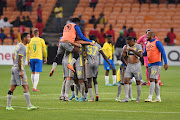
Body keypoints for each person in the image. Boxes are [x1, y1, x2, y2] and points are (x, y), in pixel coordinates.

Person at [49, 18, 94, 92]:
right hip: (68, 48)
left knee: (58, 57)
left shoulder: (66, 26)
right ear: (78, 22)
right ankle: (71, 64)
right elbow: (81, 37)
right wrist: (89, 41)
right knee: (78, 52)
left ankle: (53, 68)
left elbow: (64, 37)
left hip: (61, 43)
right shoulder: (75, 26)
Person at [6, 32, 38, 111]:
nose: (29, 38)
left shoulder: (18, 45)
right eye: (28, 37)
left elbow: (14, 57)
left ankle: (8, 106)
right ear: (24, 38)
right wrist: (20, 71)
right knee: (26, 86)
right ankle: (29, 105)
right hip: (18, 69)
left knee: (12, 88)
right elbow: (20, 59)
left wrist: (15, 65)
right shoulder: (22, 47)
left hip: (14, 68)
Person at [86, 35, 113, 101]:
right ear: (95, 39)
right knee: (95, 79)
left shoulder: (86, 45)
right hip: (96, 63)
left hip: (89, 63)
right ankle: (97, 94)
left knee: (89, 80)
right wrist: (109, 63)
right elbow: (103, 55)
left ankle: (91, 98)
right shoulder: (98, 45)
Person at [144, 32, 168, 102]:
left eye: (148, 35)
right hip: (150, 64)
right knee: (155, 81)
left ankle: (150, 97)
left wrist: (165, 63)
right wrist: (136, 53)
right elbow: (145, 53)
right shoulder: (147, 43)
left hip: (157, 64)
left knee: (151, 79)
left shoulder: (157, 43)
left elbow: (163, 52)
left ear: (152, 36)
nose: (146, 36)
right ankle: (158, 97)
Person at [120, 36, 143, 103]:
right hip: (129, 65)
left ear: (134, 41)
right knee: (126, 80)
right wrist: (126, 64)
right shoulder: (126, 47)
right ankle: (126, 98)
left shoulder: (138, 46)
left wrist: (132, 50)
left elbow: (140, 55)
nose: (128, 44)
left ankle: (138, 98)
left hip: (137, 66)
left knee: (138, 82)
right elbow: (122, 57)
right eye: (127, 43)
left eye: (129, 43)